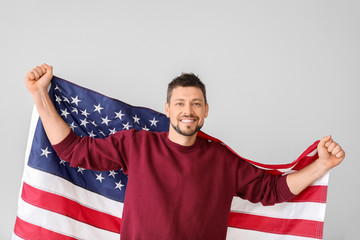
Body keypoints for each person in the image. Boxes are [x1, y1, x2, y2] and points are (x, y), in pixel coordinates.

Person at [25, 63, 345, 240]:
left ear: (206, 111)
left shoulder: (223, 161)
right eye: (180, 103)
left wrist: (323, 164)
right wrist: (41, 96)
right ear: (168, 109)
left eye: (195, 104)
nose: (187, 110)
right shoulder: (137, 144)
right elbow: (74, 151)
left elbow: (273, 190)